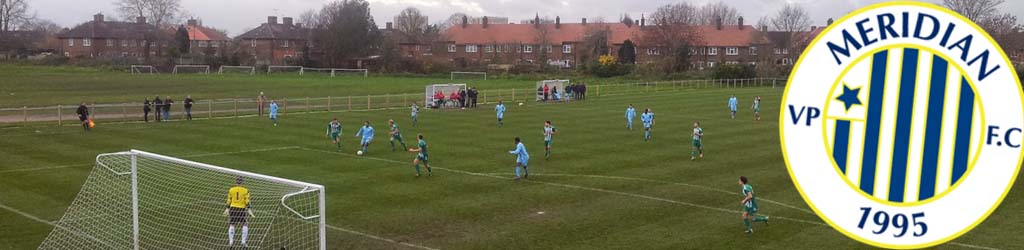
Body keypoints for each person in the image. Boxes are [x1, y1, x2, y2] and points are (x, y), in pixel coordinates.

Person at [224, 176, 254, 247]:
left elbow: (229, 199)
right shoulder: (245, 190)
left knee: (232, 224)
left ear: (236, 182)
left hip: (232, 208)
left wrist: (227, 208)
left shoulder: (231, 189)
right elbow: (247, 200)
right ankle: (243, 241)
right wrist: (249, 208)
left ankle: (231, 241)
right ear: (242, 182)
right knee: (244, 224)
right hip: (241, 209)